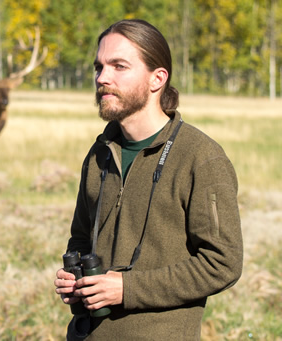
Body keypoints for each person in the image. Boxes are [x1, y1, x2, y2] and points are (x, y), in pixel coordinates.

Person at [54, 19, 243, 340]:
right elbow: (81, 239)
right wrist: (74, 280)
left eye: (119, 66)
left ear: (157, 79)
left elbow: (222, 263)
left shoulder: (200, 158)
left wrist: (128, 289)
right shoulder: (100, 152)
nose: (102, 77)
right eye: (98, 67)